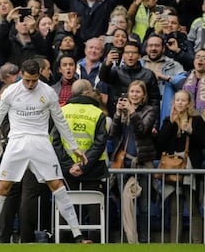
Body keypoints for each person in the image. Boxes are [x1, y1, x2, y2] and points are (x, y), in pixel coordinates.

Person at [0, 59, 90, 244]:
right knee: (2, 187)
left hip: (41, 142)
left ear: (39, 76)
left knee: (57, 185)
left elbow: (60, 121)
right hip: (16, 142)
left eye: (34, 80)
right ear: (21, 76)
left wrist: (74, 147)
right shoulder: (10, 92)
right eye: (27, 80)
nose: (31, 84)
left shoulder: (48, 92)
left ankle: (78, 235)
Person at [52, 79, 109, 242]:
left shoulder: (61, 111)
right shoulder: (98, 113)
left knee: (65, 207)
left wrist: (70, 166)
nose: (94, 93)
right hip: (93, 170)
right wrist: (83, 166)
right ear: (86, 93)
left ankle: (63, 242)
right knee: (95, 210)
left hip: (66, 170)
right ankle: (96, 243)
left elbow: (55, 141)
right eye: (92, 91)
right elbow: (100, 144)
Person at [109, 80, 158, 243]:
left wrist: (133, 113)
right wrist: (117, 113)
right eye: (132, 92)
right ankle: (128, 238)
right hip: (124, 163)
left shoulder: (150, 110)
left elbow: (143, 130)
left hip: (142, 162)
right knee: (124, 203)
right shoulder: (123, 111)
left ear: (143, 95)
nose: (135, 95)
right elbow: (113, 133)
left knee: (143, 206)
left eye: (138, 92)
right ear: (128, 94)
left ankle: (144, 240)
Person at [157, 90, 205, 243]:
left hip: (190, 167)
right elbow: (160, 144)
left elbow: (203, 143)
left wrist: (191, 132)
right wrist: (172, 123)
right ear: (173, 102)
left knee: (193, 207)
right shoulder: (168, 120)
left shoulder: (197, 120)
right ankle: (174, 243)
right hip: (173, 168)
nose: (180, 103)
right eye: (177, 100)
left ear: (189, 103)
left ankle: (197, 242)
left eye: (183, 100)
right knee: (175, 208)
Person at [141, 34, 185, 126]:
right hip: (141, 114)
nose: (153, 48)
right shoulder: (139, 64)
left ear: (163, 48)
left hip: (165, 115)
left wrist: (165, 77)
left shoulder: (174, 65)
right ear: (146, 48)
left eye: (157, 46)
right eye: (150, 45)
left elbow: (184, 85)